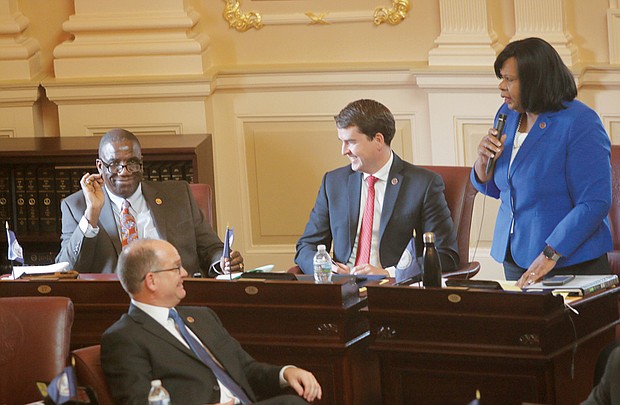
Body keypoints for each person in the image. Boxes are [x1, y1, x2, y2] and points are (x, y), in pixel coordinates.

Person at [101, 238, 322, 404]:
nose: (185, 273)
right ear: (151, 280)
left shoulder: (202, 316)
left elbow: (246, 369)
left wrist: (286, 373)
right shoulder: (124, 337)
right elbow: (140, 402)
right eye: (176, 267)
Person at [472, 37, 612, 287]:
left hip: (570, 260)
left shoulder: (580, 122)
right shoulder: (507, 115)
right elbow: (504, 187)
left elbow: (595, 202)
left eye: (510, 79)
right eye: (501, 78)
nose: (502, 87)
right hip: (515, 255)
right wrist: (482, 166)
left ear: (536, 81)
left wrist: (551, 253)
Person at [295, 99, 459, 277]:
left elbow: (445, 255)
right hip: (341, 288)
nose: (344, 151)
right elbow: (306, 247)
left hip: (392, 289)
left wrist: (389, 273)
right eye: (342, 142)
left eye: (351, 142)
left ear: (378, 140)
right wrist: (329, 269)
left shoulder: (423, 184)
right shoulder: (333, 183)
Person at [56, 128, 243, 277]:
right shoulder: (76, 206)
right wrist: (92, 214)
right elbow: (66, 270)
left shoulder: (178, 195)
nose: (124, 171)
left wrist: (223, 263)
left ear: (142, 163)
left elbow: (212, 249)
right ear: (99, 166)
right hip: (113, 302)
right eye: (114, 164)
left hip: (179, 294)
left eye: (132, 163)